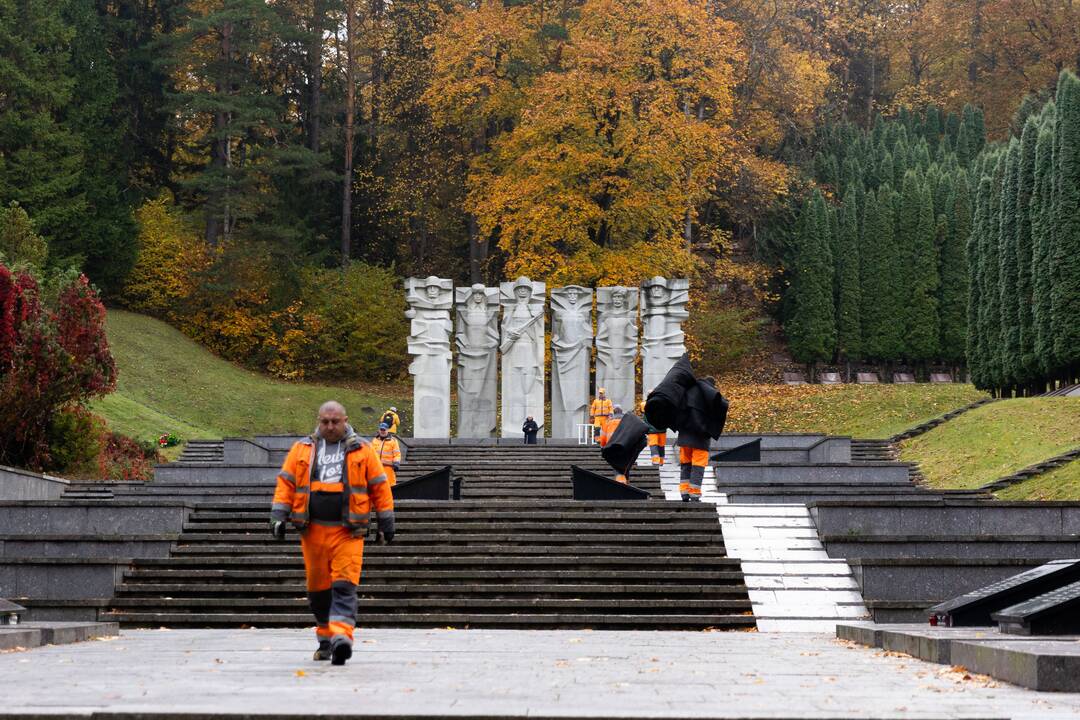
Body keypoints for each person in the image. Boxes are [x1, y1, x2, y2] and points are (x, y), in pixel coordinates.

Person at [270, 401, 395, 666]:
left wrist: (386, 520)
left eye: (334, 422)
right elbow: (286, 483)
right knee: (318, 591)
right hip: (312, 531)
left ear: (345, 420)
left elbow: (380, 486)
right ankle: (325, 638)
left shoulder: (363, 450)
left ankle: (342, 637)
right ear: (319, 420)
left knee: (344, 585)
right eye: (325, 421)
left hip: (348, 532)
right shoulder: (302, 449)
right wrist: (278, 516)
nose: (329, 427)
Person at [598, 406, 628, 483]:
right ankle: (625, 480)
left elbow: (603, 437)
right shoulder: (627, 422)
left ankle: (620, 481)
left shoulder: (608, 422)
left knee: (616, 464)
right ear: (622, 412)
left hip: (612, 446)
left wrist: (602, 446)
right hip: (625, 445)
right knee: (625, 463)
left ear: (614, 413)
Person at [639, 395, 665, 466]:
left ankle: (655, 462)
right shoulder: (663, 404)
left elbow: (643, 415)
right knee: (661, 446)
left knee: (653, 445)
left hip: (651, 431)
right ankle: (661, 462)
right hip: (662, 430)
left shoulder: (644, 404)